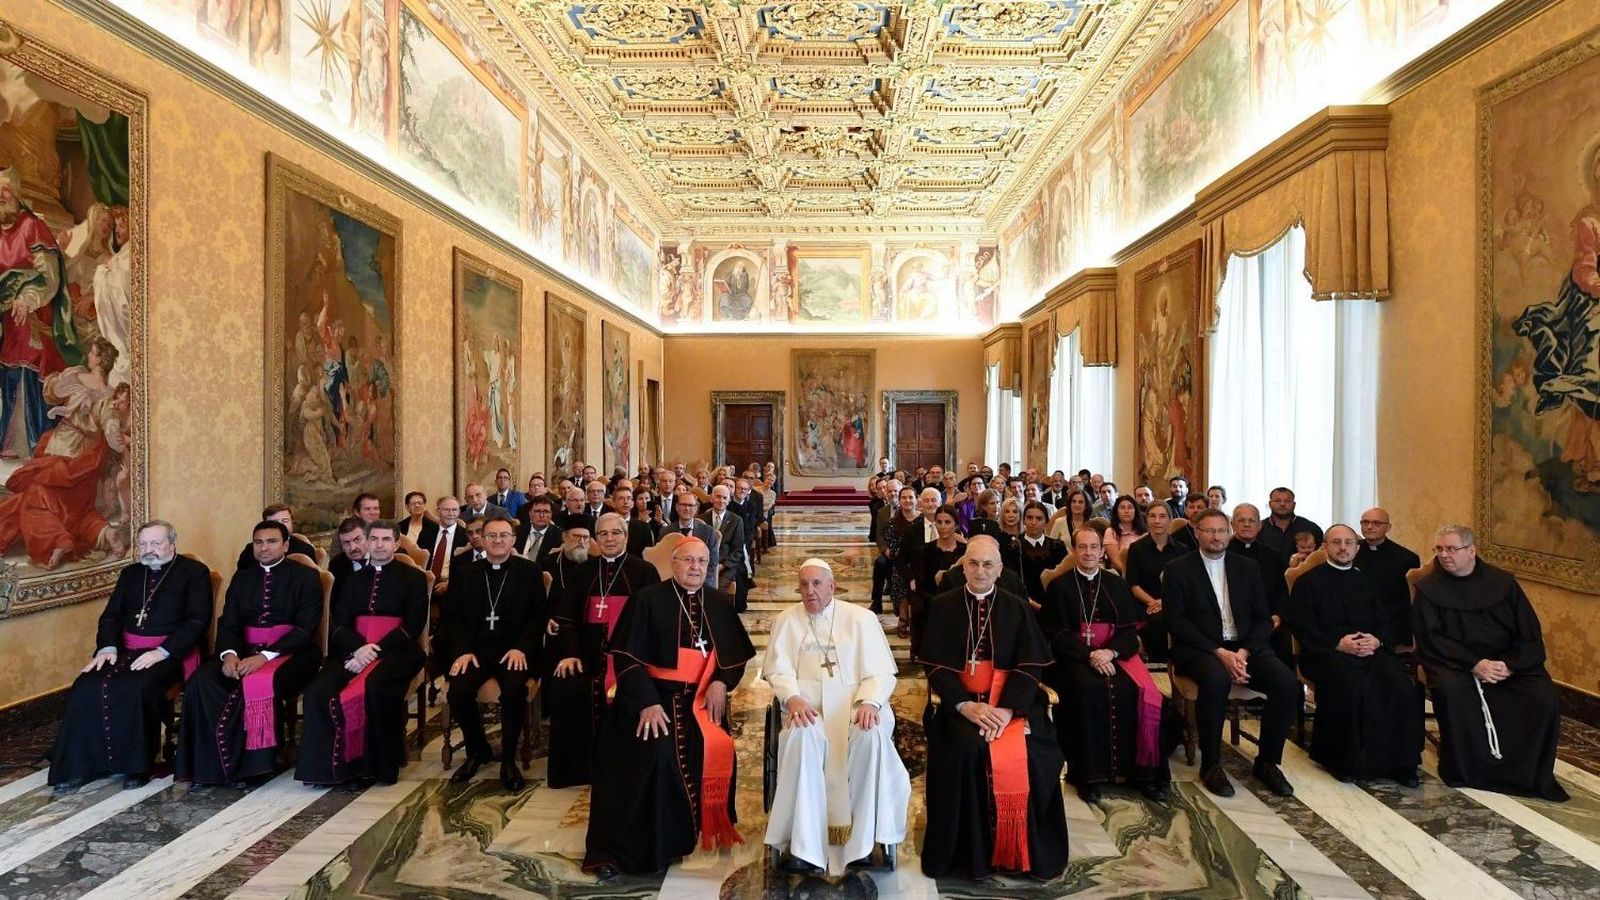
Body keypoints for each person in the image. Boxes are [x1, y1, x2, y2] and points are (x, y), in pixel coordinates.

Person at [583, 538, 755, 881]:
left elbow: (734, 659)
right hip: (652, 697)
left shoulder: (718, 602)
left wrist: (722, 682)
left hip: (702, 700)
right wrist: (646, 703)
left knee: (713, 747)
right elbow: (627, 659)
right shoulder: (647, 600)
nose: (695, 567)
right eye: (688, 560)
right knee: (656, 754)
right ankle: (640, 847)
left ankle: (695, 827)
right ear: (673, 564)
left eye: (702, 561)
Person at [917, 536, 1068, 881]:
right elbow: (935, 665)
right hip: (961, 705)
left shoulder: (1017, 607)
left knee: (1034, 754)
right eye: (973, 563)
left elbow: (1031, 664)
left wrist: (1009, 709)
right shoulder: (944, 605)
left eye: (988, 565)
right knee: (966, 750)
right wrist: (963, 703)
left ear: (1000, 571)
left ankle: (1021, 851)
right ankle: (972, 858)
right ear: (963, 566)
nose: (980, 571)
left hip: (1009, 705)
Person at [764, 559, 909, 875]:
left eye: (817, 584)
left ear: (832, 586)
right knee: (801, 736)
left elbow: (882, 672)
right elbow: (778, 669)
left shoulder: (861, 619)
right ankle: (803, 846)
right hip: (808, 709)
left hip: (858, 708)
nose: (810, 591)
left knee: (870, 736)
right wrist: (793, 697)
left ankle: (864, 844)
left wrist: (870, 702)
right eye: (804, 585)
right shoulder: (786, 621)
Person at [48, 521, 211, 790]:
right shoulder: (131, 574)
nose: (149, 550)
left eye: (156, 543)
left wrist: (163, 652)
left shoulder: (194, 573)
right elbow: (111, 616)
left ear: (173, 544)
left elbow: (196, 621)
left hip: (170, 652)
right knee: (85, 685)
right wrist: (108, 647)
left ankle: (136, 766)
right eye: (144, 544)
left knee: (137, 686)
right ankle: (83, 764)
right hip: (124, 649)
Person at [1412, 525, 1567, 801]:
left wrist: (1509, 664)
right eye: (1439, 549)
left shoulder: (1503, 583)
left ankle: (1528, 773)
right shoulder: (1429, 589)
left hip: (1506, 660)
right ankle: (1470, 770)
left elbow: (1528, 632)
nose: (1444, 555)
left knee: (1543, 697)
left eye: (1451, 549)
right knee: (1453, 690)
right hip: (1454, 661)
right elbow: (1431, 638)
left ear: (1471, 551)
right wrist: (1474, 664)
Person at [1163, 509, 1299, 798]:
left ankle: (1267, 762)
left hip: (1245, 646)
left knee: (1287, 684)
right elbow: (1176, 622)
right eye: (1209, 531)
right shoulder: (1178, 569)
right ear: (1197, 533)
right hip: (1200, 648)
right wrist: (1220, 653)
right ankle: (1211, 764)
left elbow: (1263, 618)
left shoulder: (1247, 567)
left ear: (1229, 533)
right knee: (1216, 680)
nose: (1216, 536)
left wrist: (1244, 651)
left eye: (1221, 531)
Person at [176, 521, 323, 785]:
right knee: (201, 682)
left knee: (258, 682)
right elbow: (229, 622)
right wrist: (229, 655)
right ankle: (210, 764)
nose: (264, 547)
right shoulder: (243, 578)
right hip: (243, 649)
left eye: (271, 541)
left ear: (286, 545)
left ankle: (258, 765)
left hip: (293, 653)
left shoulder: (306, 577)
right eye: (258, 542)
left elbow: (304, 628)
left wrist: (265, 657)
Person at [1286, 525, 1423, 785]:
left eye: (1349, 543)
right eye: (1336, 542)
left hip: (1370, 649)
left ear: (1357, 548)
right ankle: (1343, 761)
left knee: (1400, 684)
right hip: (1325, 652)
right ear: (1325, 547)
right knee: (1352, 686)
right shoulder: (1308, 582)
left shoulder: (1369, 580)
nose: (1343, 547)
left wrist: (1378, 639)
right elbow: (1302, 625)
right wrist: (1337, 644)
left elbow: (1387, 618)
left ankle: (1401, 763)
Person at [294, 520, 427, 786]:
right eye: (374, 539)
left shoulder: (413, 577)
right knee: (318, 691)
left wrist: (375, 651)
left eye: (386, 540)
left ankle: (374, 767)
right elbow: (339, 623)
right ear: (367, 542)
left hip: (397, 650)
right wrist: (359, 648)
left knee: (376, 687)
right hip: (354, 648)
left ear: (396, 543)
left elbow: (413, 626)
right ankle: (326, 768)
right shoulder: (352, 580)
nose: (379, 545)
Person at [1040, 527, 1168, 803]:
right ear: (1074, 551)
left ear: (1102, 552)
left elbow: (1129, 632)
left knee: (1136, 692)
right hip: (1073, 658)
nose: (1088, 553)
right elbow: (1056, 635)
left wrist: (1110, 652)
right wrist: (1089, 655)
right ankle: (1088, 776)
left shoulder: (1117, 585)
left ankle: (1140, 774)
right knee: (1086, 689)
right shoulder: (1060, 586)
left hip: (1114, 655)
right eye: (1082, 547)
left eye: (1094, 547)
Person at [545, 512, 660, 788]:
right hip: (586, 656)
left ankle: (626, 766)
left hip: (629, 660)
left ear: (626, 536)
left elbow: (653, 621)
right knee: (565, 686)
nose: (609, 539)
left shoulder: (643, 572)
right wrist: (571, 654)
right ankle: (577, 770)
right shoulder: (582, 572)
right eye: (603, 534)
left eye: (615, 533)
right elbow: (568, 617)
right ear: (596, 539)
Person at [440, 515, 549, 791]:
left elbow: (538, 617)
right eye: (492, 536)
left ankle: (509, 759)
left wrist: (521, 647)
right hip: (476, 651)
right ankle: (478, 750)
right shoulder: (465, 573)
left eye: (504, 535)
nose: (498, 540)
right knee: (458, 691)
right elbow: (454, 617)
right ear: (481, 540)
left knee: (513, 690)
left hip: (515, 651)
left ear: (513, 540)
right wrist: (463, 651)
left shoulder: (530, 572)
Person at [1123, 503, 1187, 663]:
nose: (1157, 521)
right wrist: (1153, 602)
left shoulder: (1182, 549)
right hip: (1145, 602)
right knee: (1156, 619)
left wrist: (1165, 602)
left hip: (1175, 601)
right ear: (1147, 519)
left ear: (1170, 520)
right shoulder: (1136, 549)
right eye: (1153, 516)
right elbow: (1133, 585)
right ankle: (1157, 663)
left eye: (1162, 516)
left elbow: (1186, 585)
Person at [1228, 504, 1292, 662]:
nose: (1247, 524)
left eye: (1251, 520)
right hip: (1234, 620)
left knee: (1286, 642)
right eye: (1241, 520)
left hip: (1268, 619)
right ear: (1232, 524)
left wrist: (1278, 614)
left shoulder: (1273, 554)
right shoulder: (1222, 552)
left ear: (1260, 525)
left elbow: (1283, 590)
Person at [1355, 507, 1421, 645]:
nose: (1369, 526)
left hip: (1389, 622)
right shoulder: (1350, 552)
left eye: (1376, 523)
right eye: (1365, 522)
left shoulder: (1406, 558)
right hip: (1353, 619)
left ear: (1388, 527)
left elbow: (1406, 603)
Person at [1015, 501, 1066, 608]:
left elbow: (1064, 579)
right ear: (1023, 520)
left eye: (1039, 518)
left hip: (1054, 604)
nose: (1033, 522)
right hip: (1023, 604)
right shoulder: (1014, 546)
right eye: (1029, 518)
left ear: (1046, 522)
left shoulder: (1057, 546)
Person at [234, 503, 316, 569]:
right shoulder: (250, 550)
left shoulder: (306, 550)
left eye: (285, 520)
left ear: (292, 522)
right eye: (275, 522)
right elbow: (241, 580)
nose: (281, 525)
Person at [657, 491, 718, 574]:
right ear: (677, 507)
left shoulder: (708, 532)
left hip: (700, 578)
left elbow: (712, 563)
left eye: (691, 505)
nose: (687, 508)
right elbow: (662, 561)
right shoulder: (665, 532)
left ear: (696, 509)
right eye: (683, 505)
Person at [1262, 487, 1323, 563]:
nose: (1282, 504)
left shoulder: (1311, 528)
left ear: (1294, 504)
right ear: (1270, 504)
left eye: (1287, 501)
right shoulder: (1259, 528)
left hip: (1303, 573)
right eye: (1277, 501)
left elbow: (1321, 557)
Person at [424, 496, 468, 592]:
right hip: (426, 583)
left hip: (453, 586)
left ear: (459, 512)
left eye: (454, 510)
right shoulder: (426, 533)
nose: (451, 514)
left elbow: (468, 567)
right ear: (438, 511)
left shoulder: (466, 536)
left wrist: (451, 583)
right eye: (446, 510)